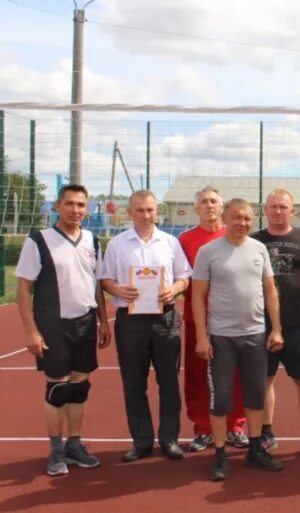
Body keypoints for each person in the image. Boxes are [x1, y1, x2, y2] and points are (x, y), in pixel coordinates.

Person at [15, 184, 112, 476]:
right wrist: (31, 331)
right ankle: (56, 449)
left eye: (81, 205)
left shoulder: (92, 241)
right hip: (52, 324)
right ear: (57, 206)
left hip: (84, 324)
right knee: (58, 389)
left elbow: (96, 285)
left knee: (79, 388)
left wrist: (103, 321)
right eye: (69, 204)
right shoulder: (38, 241)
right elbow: (23, 289)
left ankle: (74, 444)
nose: (76, 210)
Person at [192, 199, 285, 481]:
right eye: (236, 218)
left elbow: (270, 290)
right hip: (221, 338)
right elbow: (197, 295)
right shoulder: (208, 251)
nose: (242, 223)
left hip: (255, 335)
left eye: (247, 218)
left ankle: (255, 450)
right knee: (220, 400)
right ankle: (220, 455)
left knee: (255, 397)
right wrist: (201, 337)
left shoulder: (259, 249)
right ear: (224, 216)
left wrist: (276, 328)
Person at [101, 190, 191, 462]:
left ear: (157, 211)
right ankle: (141, 441)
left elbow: (184, 276)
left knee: (169, 382)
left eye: (150, 209)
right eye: (139, 210)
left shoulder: (170, 243)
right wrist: (118, 288)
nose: (146, 215)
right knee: (133, 382)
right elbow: (104, 278)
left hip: (165, 318)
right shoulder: (117, 244)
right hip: (131, 320)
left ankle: (169, 439)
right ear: (130, 213)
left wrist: (173, 289)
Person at [251, 189, 300, 460]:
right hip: (261, 324)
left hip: (297, 325)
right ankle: (266, 433)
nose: (277, 211)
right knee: (264, 381)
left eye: (283, 207)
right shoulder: (253, 241)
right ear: (265, 210)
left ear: (292, 210)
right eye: (273, 207)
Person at [178, 187, 248, 452]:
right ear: (195, 208)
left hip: (232, 321)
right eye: (204, 202)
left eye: (214, 202)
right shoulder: (183, 241)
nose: (209, 206)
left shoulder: (235, 237)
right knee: (197, 378)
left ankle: (235, 426)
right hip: (197, 321)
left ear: (222, 208)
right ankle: (203, 429)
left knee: (235, 376)